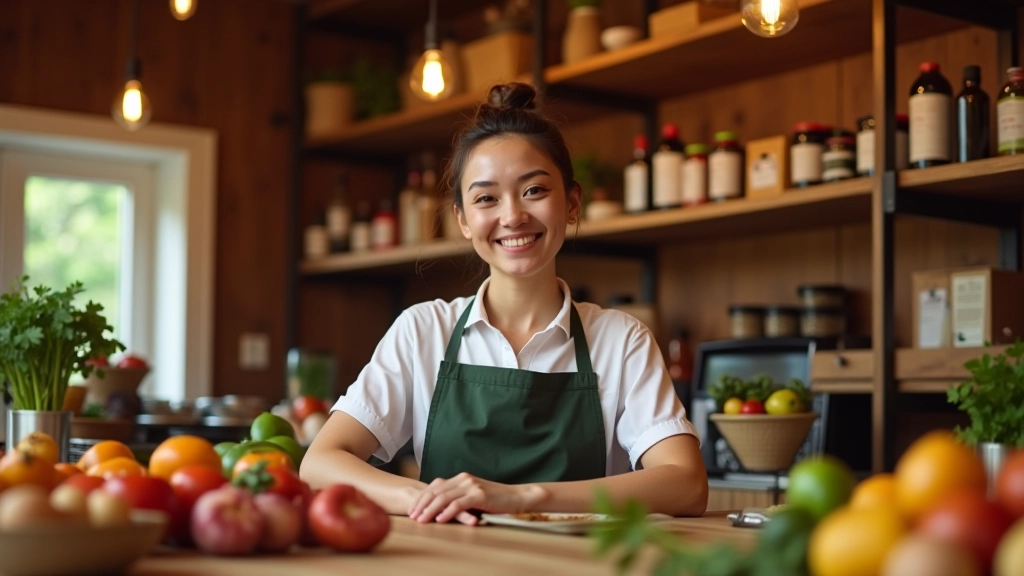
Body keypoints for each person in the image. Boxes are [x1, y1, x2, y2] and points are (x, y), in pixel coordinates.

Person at [300, 82, 708, 525]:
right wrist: (430, 498)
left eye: (534, 191)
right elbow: (320, 462)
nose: (512, 216)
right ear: (463, 220)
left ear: (572, 204)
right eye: (486, 198)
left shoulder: (620, 339)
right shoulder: (423, 330)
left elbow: (685, 484)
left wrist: (521, 497)